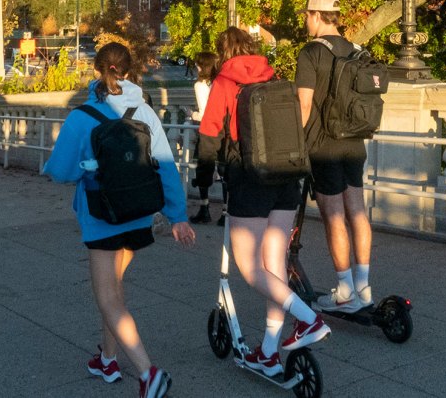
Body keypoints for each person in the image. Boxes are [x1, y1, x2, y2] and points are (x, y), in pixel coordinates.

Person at [43, 43, 195, 398]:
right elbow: (167, 167)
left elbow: (62, 172)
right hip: (139, 214)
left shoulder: (82, 117)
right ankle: (108, 359)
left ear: (97, 69)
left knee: (107, 297)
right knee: (116, 287)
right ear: (130, 70)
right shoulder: (144, 111)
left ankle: (148, 373)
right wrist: (178, 216)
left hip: (102, 218)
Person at [196, 27, 329, 378]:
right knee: (274, 268)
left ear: (224, 52)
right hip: (285, 180)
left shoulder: (225, 83)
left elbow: (209, 136)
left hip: (249, 180)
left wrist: (204, 182)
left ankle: (308, 318)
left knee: (251, 268)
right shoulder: (274, 78)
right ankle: (269, 352)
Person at [295, 0, 374, 313]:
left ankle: (343, 289)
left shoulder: (311, 52)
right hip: (354, 141)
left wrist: (295, 145)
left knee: (333, 215)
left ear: (316, 15)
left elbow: (303, 104)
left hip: (323, 143)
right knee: (357, 209)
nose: (305, 21)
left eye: (306, 16)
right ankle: (364, 287)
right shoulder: (357, 50)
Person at [188, 51, 219, 225]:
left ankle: (204, 208)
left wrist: (192, 114)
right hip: (223, 131)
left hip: (208, 131)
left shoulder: (201, 85)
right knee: (223, 170)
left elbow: (205, 112)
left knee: (202, 168)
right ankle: (224, 212)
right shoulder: (219, 82)